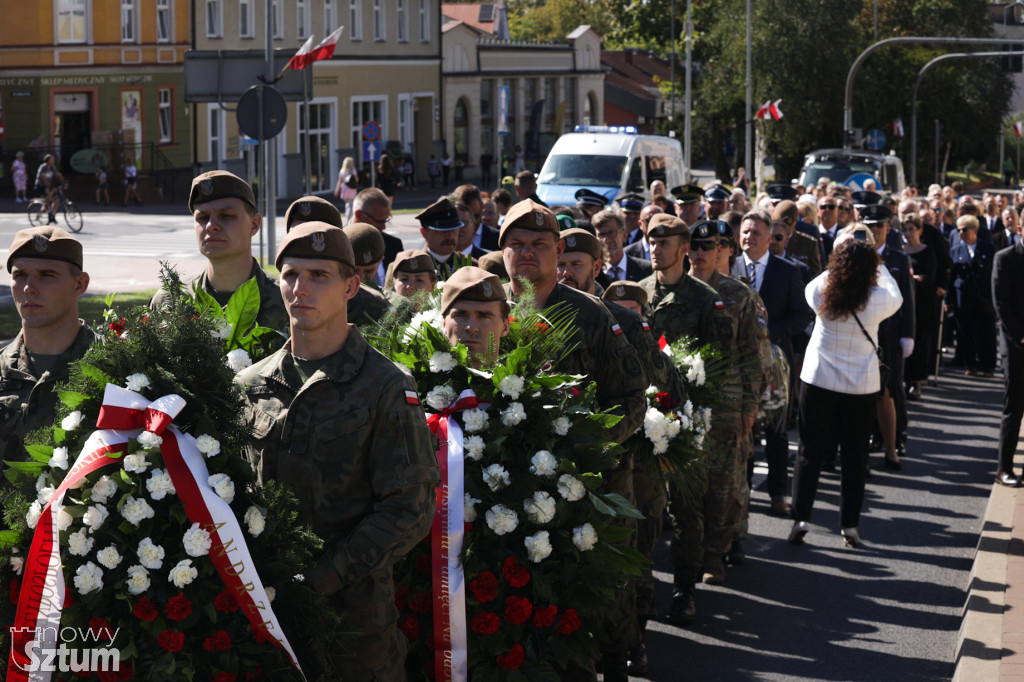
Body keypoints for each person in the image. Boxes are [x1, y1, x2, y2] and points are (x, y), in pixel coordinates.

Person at [236, 222, 439, 680]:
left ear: (351, 286)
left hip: (355, 632)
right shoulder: (250, 385)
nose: (300, 288)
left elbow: (409, 510)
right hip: (264, 622)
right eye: (290, 275)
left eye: (318, 276)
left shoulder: (385, 385)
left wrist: (319, 580)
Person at [638, 213, 732, 626]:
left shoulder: (705, 300)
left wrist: (696, 411)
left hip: (685, 420)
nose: (655, 250)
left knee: (685, 510)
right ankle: (640, 593)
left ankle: (684, 589)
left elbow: (721, 364)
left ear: (683, 248)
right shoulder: (635, 293)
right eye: (650, 242)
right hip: (641, 420)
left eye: (664, 243)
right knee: (641, 506)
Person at [789, 230, 903, 548]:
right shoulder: (878, 298)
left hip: (819, 379)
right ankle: (849, 526)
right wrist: (875, 262)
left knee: (809, 451)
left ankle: (800, 518)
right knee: (855, 456)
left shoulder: (821, 289)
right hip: (861, 385)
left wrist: (842, 254)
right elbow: (896, 295)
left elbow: (819, 281)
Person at [687, 220, 770, 586]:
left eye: (715, 244)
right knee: (686, 488)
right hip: (682, 405)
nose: (706, 251)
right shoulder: (676, 291)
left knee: (724, 486)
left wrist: (750, 407)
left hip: (727, 407)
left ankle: (714, 554)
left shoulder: (739, 295)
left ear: (725, 248)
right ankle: (687, 553)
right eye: (698, 245)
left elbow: (756, 356)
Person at [733, 209, 814, 517]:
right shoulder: (731, 266)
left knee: (776, 429)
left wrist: (768, 333)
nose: (748, 237)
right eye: (745, 231)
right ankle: (743, 489)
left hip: (774, 362)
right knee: (744, 427)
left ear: (769, 238)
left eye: (755, 233)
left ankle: (778, 493)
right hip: (739, 362)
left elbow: (802, 314)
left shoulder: (787, 270)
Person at [150, 170, 288, 345]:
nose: (211, 226)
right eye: (202, 217)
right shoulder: (169, 302)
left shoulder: (287, 303)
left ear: (254, 225)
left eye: (226, 216)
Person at [1, 226, 95, 464]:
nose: (28, 288)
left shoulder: (111, 368)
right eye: (19, 275)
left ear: (79, 285)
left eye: (46, 275)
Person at [948, 214, 997, 376]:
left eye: (964, 229)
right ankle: (971, 364)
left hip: (984, 296)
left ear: (974, 229)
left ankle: (988, 365)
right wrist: (949, 299)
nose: (961, 233)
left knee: (987, 332)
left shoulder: (988, 248)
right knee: (966, 332)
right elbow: (951, 276)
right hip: (964, 297)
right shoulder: (955, 251)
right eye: (958, 230)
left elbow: (994, 274)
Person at [993, 231, 1024, 487]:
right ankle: (1004, 468)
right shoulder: (1005, 258)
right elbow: (1001, 304)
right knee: (1014, 407)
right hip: (1016, 345)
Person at [441, 266, 509, 367]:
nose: (471, 328)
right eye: (460, 315)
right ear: (444, 324)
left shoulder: (528, 382)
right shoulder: (415, 382)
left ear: (505, 326)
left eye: (484, 316)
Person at [901, 213, 937, 400]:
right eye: (905, 229)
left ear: (920, 230)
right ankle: (904, 378)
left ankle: (916, 380)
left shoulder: (927, 251)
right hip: (905, 302)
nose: (908, 233)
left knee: (920, 341)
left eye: (911, 229)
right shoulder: (901, 251)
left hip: (922, 302)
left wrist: (914, 280)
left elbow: (929, 278)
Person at [352, 188, 404, 287]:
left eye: (386, 220)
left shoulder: (394, 245)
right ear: (359, 215)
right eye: (379, 221)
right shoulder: (338, 242)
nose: (384, 227)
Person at [595, 209, 653, 285]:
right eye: (601, 235)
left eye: (611, 233)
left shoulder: (646, 269)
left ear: (624, 235)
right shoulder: (593, 273)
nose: (606, 240)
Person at [416, 197, 464, 279]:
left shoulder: (469, 265)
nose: (450, 236)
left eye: (454, 230)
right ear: (424, 233)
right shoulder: (411, 266)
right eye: (443, 231)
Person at [334, 156, 359, 223]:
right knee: (350, 204)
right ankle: (349, 220)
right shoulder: (353, 170)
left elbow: (339, 181)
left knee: (347, 204)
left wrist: (337, 190)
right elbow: (357, 180)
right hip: (351, 189)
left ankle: (348, 218)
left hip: (344, 189)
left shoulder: (342, 171)